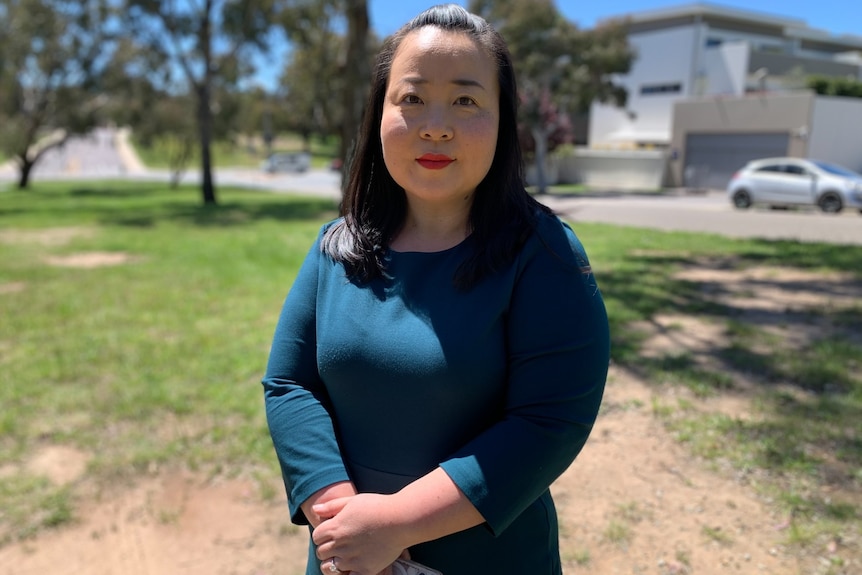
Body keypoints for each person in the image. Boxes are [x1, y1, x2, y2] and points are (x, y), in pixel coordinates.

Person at [261, 4, 610, 574]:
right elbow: (289, 384)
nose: (435, 125)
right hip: (345, 556)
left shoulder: (545, 253)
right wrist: (342, 517)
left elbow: (549, 422)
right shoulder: (335, 246)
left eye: (466, 100)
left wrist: (396, 524)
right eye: (413, 98)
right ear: (380, 114)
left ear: (502, 120)